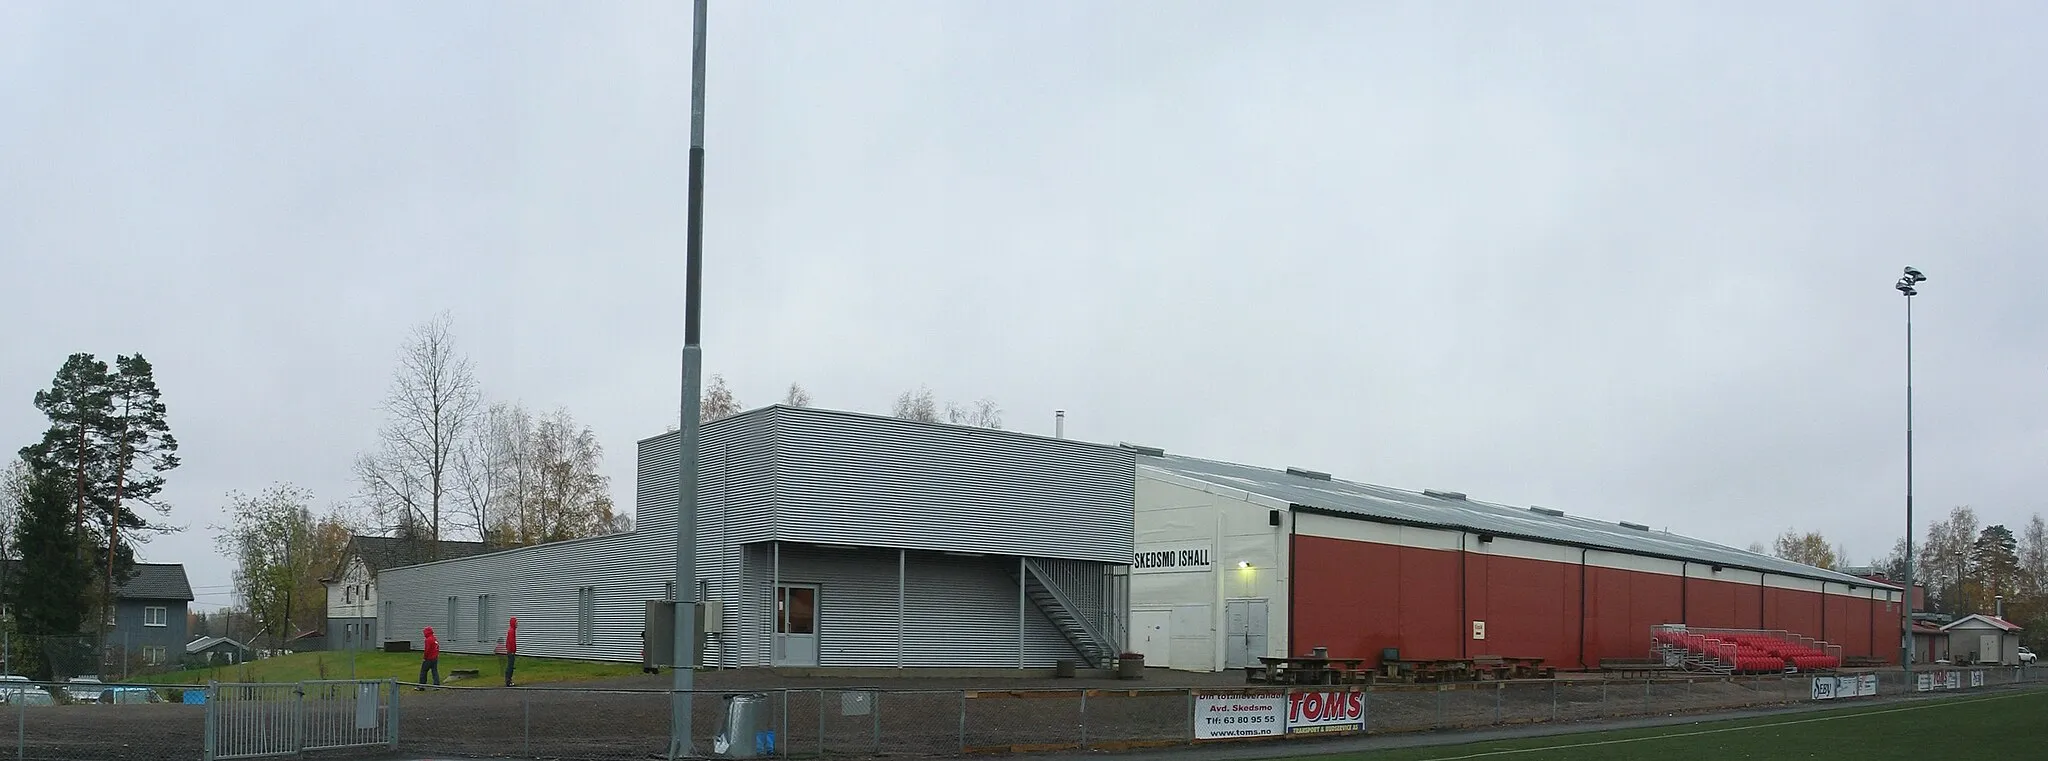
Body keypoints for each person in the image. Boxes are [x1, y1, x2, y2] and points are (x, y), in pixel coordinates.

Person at [503, 617, 518, 687]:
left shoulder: (511, 631)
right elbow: (511, 642)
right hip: (511, 652)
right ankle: (508, 681)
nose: (517, 623)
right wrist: (512, 650)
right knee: (510, 667)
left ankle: (508, 680)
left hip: (510, 651)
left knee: (510, 666)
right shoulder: (511, 631)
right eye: (516, 622)